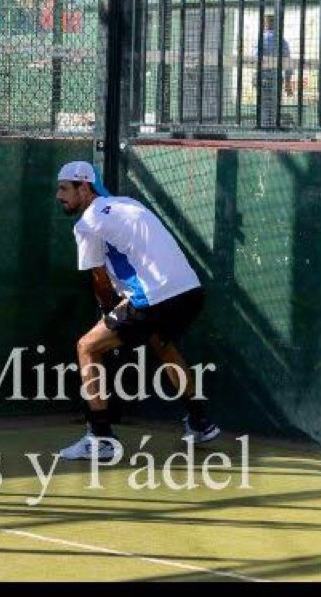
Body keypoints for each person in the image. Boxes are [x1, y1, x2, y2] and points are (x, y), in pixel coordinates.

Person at [53, 159, 220, 461]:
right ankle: (200, 421)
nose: (59, 196)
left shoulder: (88, 224)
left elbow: (99, 279)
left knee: (87, 347)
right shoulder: (129, 204)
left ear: (84, 187)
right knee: (160, 341)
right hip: (190, 292)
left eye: (65, 189)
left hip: (154, 297)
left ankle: (100, 438)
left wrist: (107, 314)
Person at [258, 8, 293, 126]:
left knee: (264, 106)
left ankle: (265, 128)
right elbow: (288, 62)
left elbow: (255, 59)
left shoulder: (261, 39)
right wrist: (287, 82)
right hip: (276, 77)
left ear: (265, 24)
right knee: (275, 105)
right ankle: (274, 128)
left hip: (263, 77)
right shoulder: (282, 41)